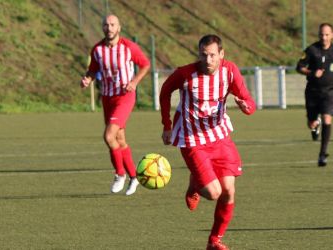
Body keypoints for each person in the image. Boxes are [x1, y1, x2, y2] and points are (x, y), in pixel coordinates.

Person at [160, 34, 256, 250]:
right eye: (204, 55)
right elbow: (165, 91)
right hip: (192, 139)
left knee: (229, 190)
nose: (208, 60)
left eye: (213, 55)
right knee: (214, 193)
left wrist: (246, 107)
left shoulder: (230, 71)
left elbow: (249, 101)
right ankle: (194, 185)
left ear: (221, 54)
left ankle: (214, 241)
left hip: (219, 136)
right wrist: (166, 125)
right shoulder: (185, 74)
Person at [80, 14, 150, 195]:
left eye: (112, 25)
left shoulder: (129, 47)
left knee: (109, 136)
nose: (109, 28)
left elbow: (145, 64)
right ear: (102, 28)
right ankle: (134, 177)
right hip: (107, 98)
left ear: (119, 28)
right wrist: (87, 79)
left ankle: (120, 174)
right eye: (106, 25)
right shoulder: (97, 49)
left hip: (125, 96)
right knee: (119, 140)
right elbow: (93, 69)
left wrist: (134, 82)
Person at [296, 23, 333, 167]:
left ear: (332, 35)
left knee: (327, 118)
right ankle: (315, 126)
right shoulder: (311, 50)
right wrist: (311, 73)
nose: (324, 37)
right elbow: (299, 67)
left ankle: (322, 154)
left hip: (329, 92)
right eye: (321, 35)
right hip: (312, 92)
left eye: (326, 34)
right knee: (311, 122)